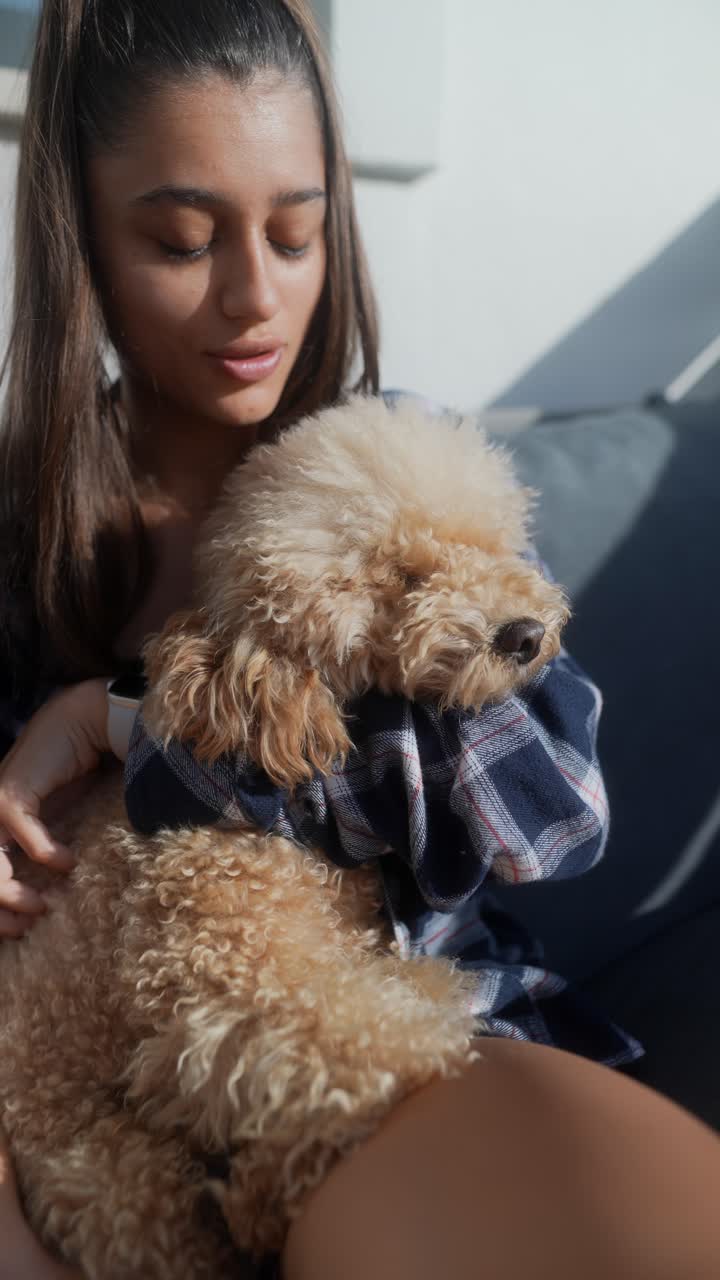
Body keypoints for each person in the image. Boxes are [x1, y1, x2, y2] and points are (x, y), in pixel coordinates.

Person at [0, 2, 719, 1278]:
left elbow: (542, 811)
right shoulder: (21, 534)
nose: (253, 297)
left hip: (407, 1036)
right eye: (179, 239)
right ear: (84, 243)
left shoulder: (409, 465)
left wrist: (126, 716)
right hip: (97, 1115)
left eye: (296, 230)